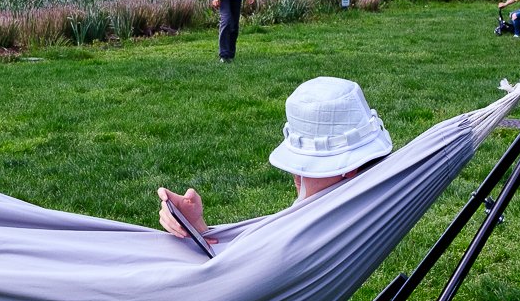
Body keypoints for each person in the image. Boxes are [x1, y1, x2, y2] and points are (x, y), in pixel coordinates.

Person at [157, 75, 394, 241]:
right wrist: (196, 226)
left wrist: (197, 228)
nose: (296, 176)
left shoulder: (294, 238)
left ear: (348, 171)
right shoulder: (356, 212)